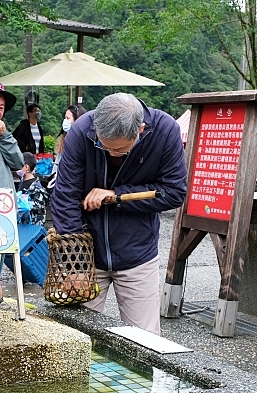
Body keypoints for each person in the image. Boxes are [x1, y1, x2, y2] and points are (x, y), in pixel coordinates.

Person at [50, 93, 187, 335]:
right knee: (74, 337)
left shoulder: (166, 131)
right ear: (96, 130)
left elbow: (174, 192)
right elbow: (65, 196)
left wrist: (115, 196)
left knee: (145, 342)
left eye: (121, 149)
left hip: (138, 255)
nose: (112, 154)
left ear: (141, 130)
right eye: (103, 146)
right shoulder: (82, 131)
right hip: (87, 253)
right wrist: (76, 264)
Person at [16, 152, 48, 226]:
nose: (18, 168)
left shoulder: (36, 186)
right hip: (22, 223)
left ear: (26, 167)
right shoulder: (22, 181)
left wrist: (26, 205)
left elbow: (40, 206)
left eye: (20, 165)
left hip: (33, 226)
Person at [53, 104, 86, 170]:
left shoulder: (83, 144)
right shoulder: (63, 139)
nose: (65, 121)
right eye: (65, 118)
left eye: (68, 118)